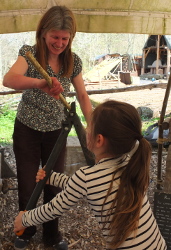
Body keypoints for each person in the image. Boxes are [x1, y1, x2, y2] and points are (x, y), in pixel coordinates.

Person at [14, 100, 167, 250]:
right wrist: (53, 178)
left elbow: (54, 208)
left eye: (89, 127)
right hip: (157, 244)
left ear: (99, 139)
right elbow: (83, 186)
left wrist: (25, 220)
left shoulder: (87, 177)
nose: (86, 130)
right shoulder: (130, 162)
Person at [3, 5, 92, 250]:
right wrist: (41, 82)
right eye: (55, 37)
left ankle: (52, 234)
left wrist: (92, 126)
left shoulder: (72, 61)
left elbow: (83, 96)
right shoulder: (30, 53)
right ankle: (26, 229)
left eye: (65, 38)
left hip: (57, 131)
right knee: (28, 183)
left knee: (54, 183)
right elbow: (9, 79)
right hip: (27, 129)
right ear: (43, 32)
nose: (60, 43)